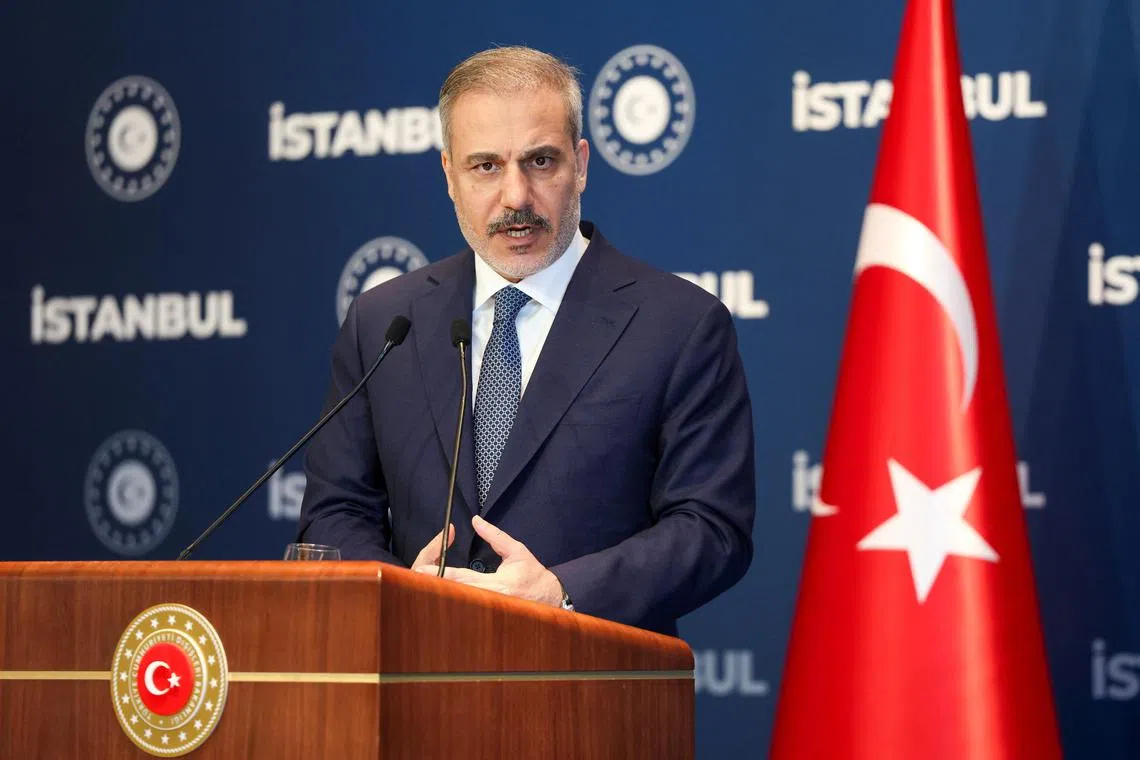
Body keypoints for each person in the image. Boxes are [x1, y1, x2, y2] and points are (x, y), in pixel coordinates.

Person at [296, 45, 755, 636]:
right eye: (485, 166)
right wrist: (404, 598)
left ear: (581, 164)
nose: (515, 197)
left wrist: (562, 592)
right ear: (449, 175)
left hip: (592, 698)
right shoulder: (383, 320)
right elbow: (336, 513)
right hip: (415, 694)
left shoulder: (680, 324)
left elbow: (712, 528)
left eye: (540, 161)